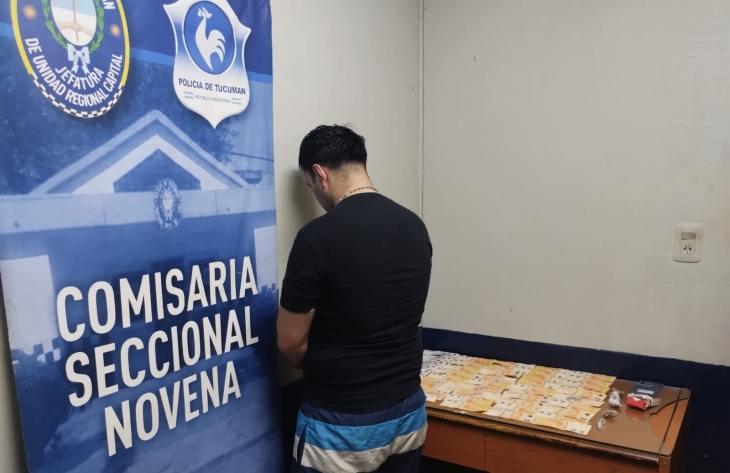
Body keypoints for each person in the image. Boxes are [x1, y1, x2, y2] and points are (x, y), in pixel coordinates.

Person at [277, 124, 433, 473]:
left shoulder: (316, 238)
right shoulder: (414, 226)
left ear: (319, 174)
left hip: (341, 427)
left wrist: (332, 365)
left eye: (309, 186)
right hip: (408, 415)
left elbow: (289, 342)